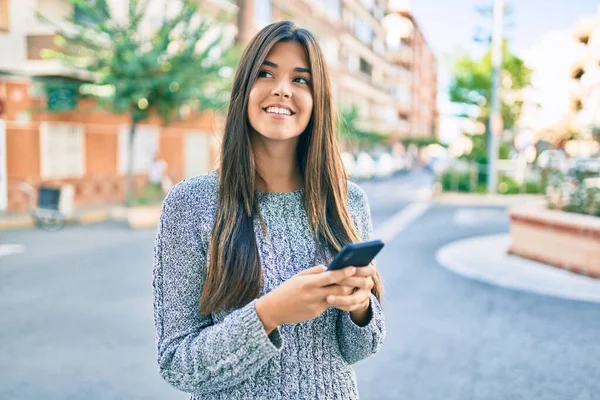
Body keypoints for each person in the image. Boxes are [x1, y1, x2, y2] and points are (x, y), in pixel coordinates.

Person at [152, 21, 385, 399]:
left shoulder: (347, 200)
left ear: (317, 100)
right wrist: (269, 313)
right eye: (265, 73)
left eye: (300, 80)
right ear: (244, 89)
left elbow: (360, 349)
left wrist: (360, 306)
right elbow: (177, 363)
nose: (282, 89)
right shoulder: (190, 204)